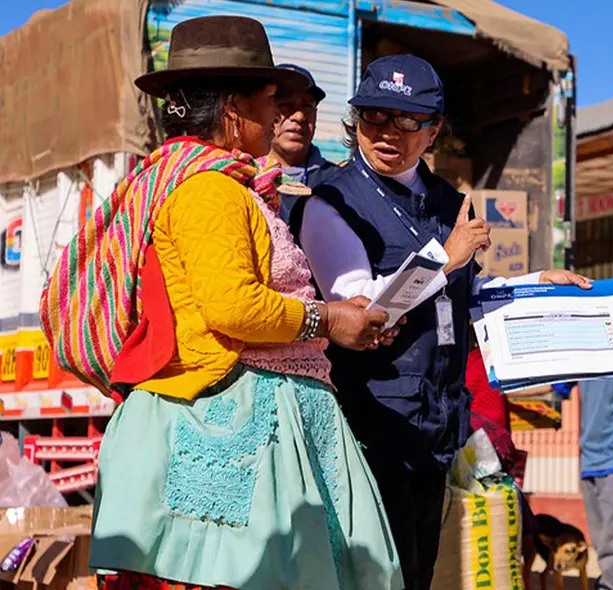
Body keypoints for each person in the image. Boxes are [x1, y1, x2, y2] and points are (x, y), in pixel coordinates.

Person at [40, 17, 402, 590]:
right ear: (234, 109)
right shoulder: (208, 191)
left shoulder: (224, 185)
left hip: (248, 414)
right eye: (269, 100)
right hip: (225, 420)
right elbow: (232, 307)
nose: (279, 114)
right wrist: (328, 319)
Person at [287, 54, 591, 590]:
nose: (388, 133)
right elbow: (363, 313)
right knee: (376, 574)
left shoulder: (451, 201)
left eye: (407, 121)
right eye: (374, 116)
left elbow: (466, 296)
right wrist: (445, 259)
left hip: (438, 423)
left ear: (434, 130)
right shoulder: (330, 203)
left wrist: (534, 284)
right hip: (370, 424)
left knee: (419, 570)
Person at [556, 379, 613, 590]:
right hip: (590, 464)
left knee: (612, 541)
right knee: (600, 540)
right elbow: (552, 385)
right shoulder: (583, 360)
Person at [270, 63, 340, 220]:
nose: (299, 116)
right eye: (286, 106)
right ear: (266, 110)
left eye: (307, 106)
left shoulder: (338, 182)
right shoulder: (246, 175)